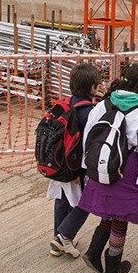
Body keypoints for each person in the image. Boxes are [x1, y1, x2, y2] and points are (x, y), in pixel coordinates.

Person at [78, 63, 138, 273]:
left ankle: (94, 252)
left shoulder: (103, 104)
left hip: (100, 163)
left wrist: (88, 167)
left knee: (110, 209)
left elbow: (89, 135)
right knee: (120, 217)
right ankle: (113, 268)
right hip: (126, 169)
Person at [46, 63, 101, 259]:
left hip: (58, 163)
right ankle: (64, 236)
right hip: (76, 168)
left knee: (62, 199)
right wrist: (81, 172)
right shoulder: (90, 112)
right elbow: (87, 146)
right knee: (86, 202)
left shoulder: (63, 104)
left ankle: (57, 240)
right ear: (93, 87)